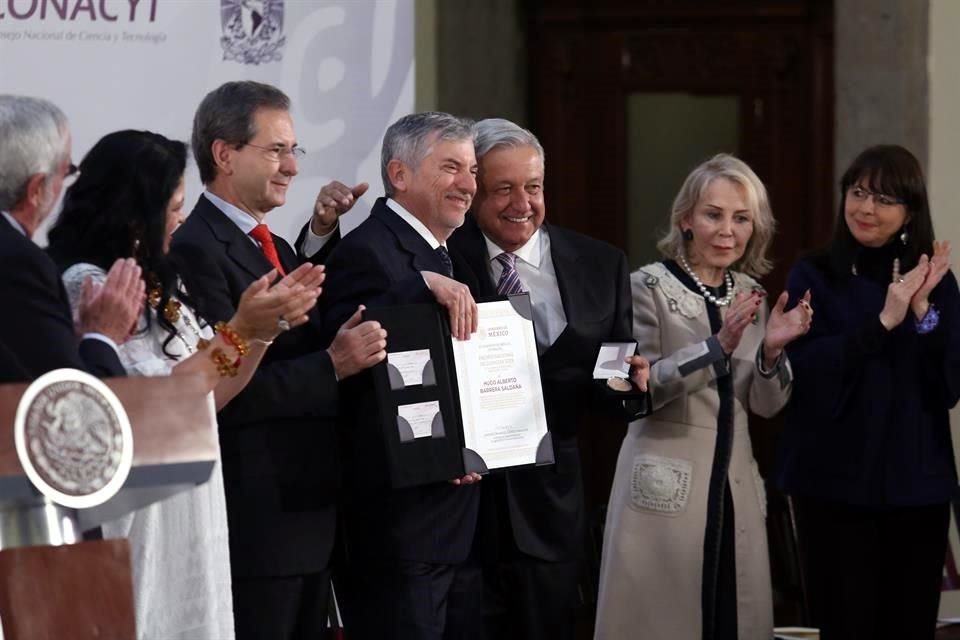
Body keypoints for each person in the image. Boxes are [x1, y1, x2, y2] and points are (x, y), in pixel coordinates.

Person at [47, 129, 324, 640]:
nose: (180, 217)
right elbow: (145, 411)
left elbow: (208, 399)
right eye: (172, 207)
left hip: (190, 512)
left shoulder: (159, 281)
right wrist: (240, 330)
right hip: (137, 519)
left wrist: (264, 331)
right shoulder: (86, 286)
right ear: (135, 215)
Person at [169, 81, 387, 640]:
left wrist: (319, 236)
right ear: (224, 154)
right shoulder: (196, 249)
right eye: (276, 150)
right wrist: (332, 365)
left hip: (307, 515)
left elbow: (292, 331)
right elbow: (221, 392)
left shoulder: (270, 242)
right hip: (259, 517)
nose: (292, 166)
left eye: (295, 151)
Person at [594, 154, 812, 640]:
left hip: (735, 491)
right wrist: (716, 348)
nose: (727, 231)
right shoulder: (642, 286)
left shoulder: (752, 293)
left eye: (741, 218)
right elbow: (621, 390)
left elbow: (766, 406)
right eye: (713, 214)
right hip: (662, 494)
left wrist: (773, 352)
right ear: (685, 218)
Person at [447, 118, 649, 640]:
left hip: (552, 506)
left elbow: (612, 385)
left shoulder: (602, 265)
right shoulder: (442, 258)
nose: (522, 203)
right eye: (504, 189)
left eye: (533, 187)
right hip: (463, 506)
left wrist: (630, 384)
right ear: (473, 193)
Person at [775, 145, 958, 640]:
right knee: (844, 624)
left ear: (909, 213)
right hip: (833, 485)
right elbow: (805, 370)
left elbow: (949, 384)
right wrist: (882, 323)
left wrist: (922, 311)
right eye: (857, 193)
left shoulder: (934, 283)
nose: (865, 208)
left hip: (914, 488)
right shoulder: (814, 274)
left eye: (882, 199)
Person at [317, 111, 483, 640]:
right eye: (451, 167)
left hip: (448, 519)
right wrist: (418, 285)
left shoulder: (445, 255)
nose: (468, 185)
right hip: (399, 527)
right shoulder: (369, 251)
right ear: (400, 174)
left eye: (473, 170)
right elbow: (357, 368)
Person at [0, 95, 143, 380]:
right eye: (67, 171)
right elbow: (73, 405)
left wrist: (63, 335)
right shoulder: (20, 262)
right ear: (37, 189)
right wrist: (102, 336)